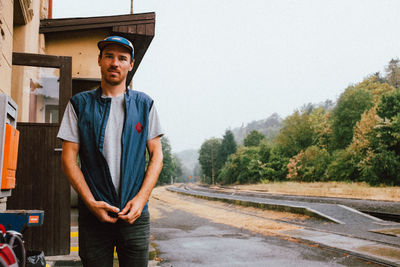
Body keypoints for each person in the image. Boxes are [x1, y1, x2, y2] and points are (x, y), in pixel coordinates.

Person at [57, 36, 163, 267]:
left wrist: (141, 199)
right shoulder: (79, 105)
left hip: (135, 215)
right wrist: (90, 202)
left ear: (130, 64)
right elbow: (68, 158)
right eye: (109, 56)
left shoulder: (145, 105)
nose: (115, 63)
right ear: (100, 60)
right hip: (94, 216)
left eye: (122, 58)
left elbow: (157, 156)